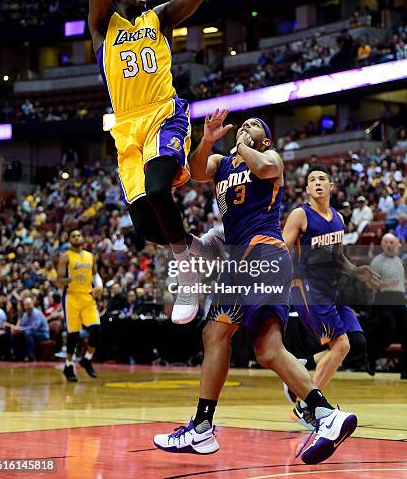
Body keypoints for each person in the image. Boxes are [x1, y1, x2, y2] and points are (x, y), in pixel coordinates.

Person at [154, 113, 357, 465]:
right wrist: (205, 140)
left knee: (215, 333)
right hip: (258, 260)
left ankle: (202, 427)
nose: (245, 126)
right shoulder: (223, 163)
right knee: (267, 349)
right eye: (243, 124)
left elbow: (265, 168)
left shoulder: (270, 158)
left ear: (266, 139)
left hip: (260, 251)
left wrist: (247, 146)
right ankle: (327, 415)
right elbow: (199, 171)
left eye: (254, 126)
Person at [88, 0, 217, 325]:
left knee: (160, 190)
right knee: (145, 225)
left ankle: (186, 268)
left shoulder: (159, 19)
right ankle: (194, 248)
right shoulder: (103, 27)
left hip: (164, 113)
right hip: (127, 128)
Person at [282, 164, 380, 428]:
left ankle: (304, 396)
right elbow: (281, 251)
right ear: (307, 189)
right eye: (312, 179)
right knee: (340, 345)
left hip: (334, 289)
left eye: (322, 179)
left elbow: (338, 257)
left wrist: (356, 270)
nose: (317, 182)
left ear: (331, 186)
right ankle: (308, 407)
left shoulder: (337, 218)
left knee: (352, 343)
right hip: (309, 289)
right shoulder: (300, 215)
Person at [57, 229, 103, 382]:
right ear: (69, 239)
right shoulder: (65, 257)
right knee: (73, 335)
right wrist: (71, 278)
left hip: (88, 297)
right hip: (71, 297)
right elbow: (59, 280)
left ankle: (87, 359)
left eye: (79, 235)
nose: (77, 237)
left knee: (96, 329)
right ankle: (69, 365)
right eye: (73, 236)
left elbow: (95, 274)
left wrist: (99, 286)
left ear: (83, 237)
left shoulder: (90, 256)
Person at [369, 233, 407, 379]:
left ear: (397, 244)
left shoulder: (398, 260)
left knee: (405, 334)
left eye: (392, 242)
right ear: (382, 244)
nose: (389, 244)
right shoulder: (377, 262)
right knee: (388, 331)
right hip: (384, 299)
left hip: (399, 299)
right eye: (386, 242)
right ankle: (371, 359)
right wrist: (384, 284)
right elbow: (371, 283)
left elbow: (400, 282)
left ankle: (405, 370)